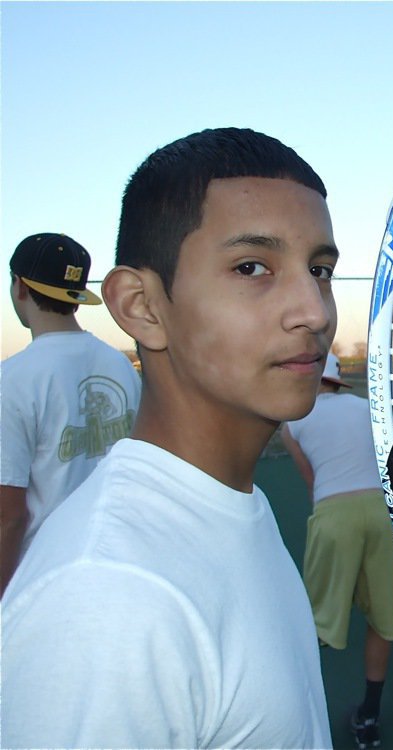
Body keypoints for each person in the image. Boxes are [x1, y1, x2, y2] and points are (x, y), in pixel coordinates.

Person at [1, 128, 337, 748]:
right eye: (251, 267)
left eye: (319, 270)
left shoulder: (230, 506)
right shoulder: (107, 601)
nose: (314, 310)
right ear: (141, 306)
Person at [281, 353, 393, 750]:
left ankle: (296, 713)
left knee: (314, 622)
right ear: (337, 380)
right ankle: (369, 717)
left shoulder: (292, 422)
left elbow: (312, 483)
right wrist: (389, 484)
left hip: (334, 514)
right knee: (382, 619)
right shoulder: (365, 408)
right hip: (380, 512)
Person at [1, 233, 142, 596]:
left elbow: (9, 517)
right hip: (123, 565)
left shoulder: (11, 380)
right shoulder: (120, 365)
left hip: (46, 584)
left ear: (20, 287)